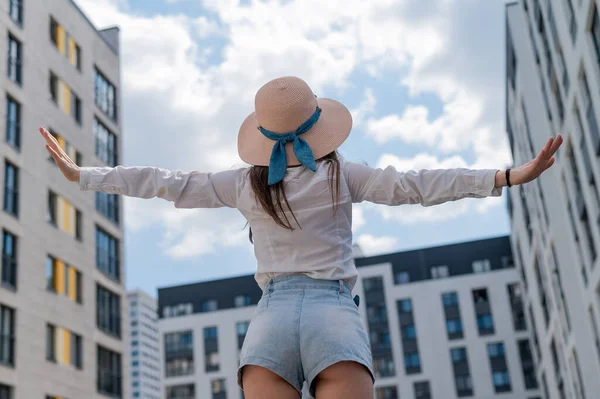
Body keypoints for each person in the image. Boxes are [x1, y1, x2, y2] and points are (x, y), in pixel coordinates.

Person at [40, 76, 562, 399]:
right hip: (333, 314)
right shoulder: (342, 174)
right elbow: (420, 186)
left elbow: (162, 181)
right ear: (319, 128)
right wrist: (506, 175)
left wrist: (84, 174)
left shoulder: (241, 184)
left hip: (268, 324)